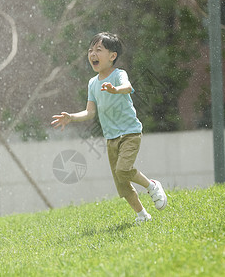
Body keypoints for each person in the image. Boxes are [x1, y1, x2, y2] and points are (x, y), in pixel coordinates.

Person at [51, 32, 167, 223]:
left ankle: (152, 185)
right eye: (90, 50)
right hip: (111, 138)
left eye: (98, 50)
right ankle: (142, 215)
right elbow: (89, 112)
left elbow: (128, 87)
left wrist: (116, 89)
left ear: (112, 56)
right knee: (122, 183)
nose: (92, 54)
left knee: (123, 169)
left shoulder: (118, 74)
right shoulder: (92, 83)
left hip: (130, 132)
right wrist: (71, 117)